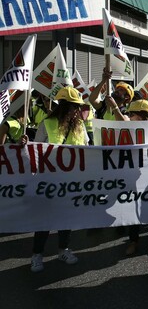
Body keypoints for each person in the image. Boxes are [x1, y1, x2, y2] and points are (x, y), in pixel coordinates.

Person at [29, 87, 89, 272]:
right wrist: (25, 143)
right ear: (63, 107)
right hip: (49, 182)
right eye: (73, 107)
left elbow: (88, 148)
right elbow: (34, 151)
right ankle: (37, 255)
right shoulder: (46, 124)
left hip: (71, 183)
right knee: (45, 220)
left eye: (77, 108)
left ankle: (64, 249)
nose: (76, 111)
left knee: (66, 218)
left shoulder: (80, 126)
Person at [125, 100, 148, 255]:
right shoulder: (126, 131)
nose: (129, 117)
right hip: (133, 176)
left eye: (131, 114)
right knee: (132, 210)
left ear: (140, 117)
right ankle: (133, 240)